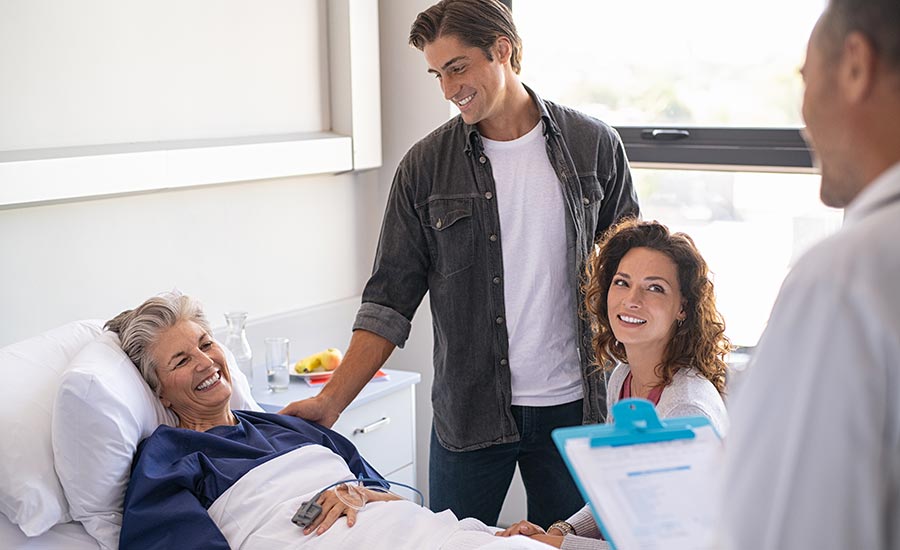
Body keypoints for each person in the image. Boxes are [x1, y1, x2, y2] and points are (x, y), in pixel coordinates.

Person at [279, 0, 639, 529]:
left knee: (571, 547)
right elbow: (388, 301)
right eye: (437, 75)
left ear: (503, 51)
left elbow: (632, 283)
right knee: (447, 543)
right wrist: (331, 403)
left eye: (457, 68)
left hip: (578, 410)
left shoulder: (594, 146)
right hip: (469, 415)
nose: (448, 90)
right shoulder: (425, 167)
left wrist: (658, 387)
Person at [108, 292, 550, 550]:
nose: (206, 362)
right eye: (183, 360)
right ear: (158, 389)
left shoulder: (290, 427)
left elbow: (396, 501)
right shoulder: (167, 457)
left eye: (206, 344)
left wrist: (355, 493)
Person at [721, 1, 900, 548]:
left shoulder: (846, 279)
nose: (804, 122)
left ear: (854, 65)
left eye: (806, 80)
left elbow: (781, 533)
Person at [497, 219, 731, 549]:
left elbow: (664, 546)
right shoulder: (623, 376)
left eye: (655, 288)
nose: (631, 300)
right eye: (622, 282)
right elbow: (618, 494)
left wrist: (558, 545)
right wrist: (562, 530)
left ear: (683, 308)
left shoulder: (685, 409)